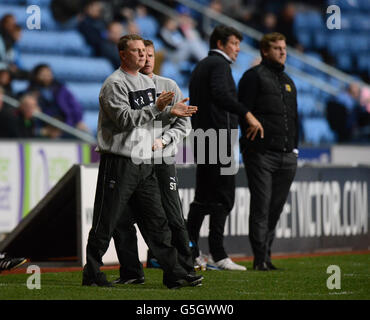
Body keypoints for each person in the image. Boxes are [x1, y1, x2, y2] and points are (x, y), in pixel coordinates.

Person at [82, 34, 201, 289]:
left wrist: (169, 112)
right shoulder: (114, 83)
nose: (142, 55)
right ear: (123, 55)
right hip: (120, 161)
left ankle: (174, 272)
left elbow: (147, 119)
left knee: (157, 221)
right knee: (108, 220)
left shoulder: (146, 83)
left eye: (143, 51)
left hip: (145, 161)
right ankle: (92, 272)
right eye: (135, 51)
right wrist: (159, 108)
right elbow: (125, 119)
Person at [113, 39, 195, 285]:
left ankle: (185, 268)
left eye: (150, 55)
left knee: (173, 215)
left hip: (160, 160)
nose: (146, 59)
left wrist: (164, 140)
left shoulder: (168, 85)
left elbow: (184, 123)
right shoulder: (126, 86)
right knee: (123, 219)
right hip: (132, 160)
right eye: (142, 54)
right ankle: (131, 273)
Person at [186, 25, 263, 271]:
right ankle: (218, 254)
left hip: (204, 137)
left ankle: (189, 250)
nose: (238, 49)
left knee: (203, 197)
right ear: (220, 44)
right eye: (234, 44)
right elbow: (221, 95)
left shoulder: (201, 65)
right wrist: (246, 113)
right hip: (218, 139)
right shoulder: (219, 65)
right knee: (223, 198)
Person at [238, 32, 298, 271]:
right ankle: (259, 257)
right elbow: (242, 110)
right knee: (261, 206)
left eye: (284, 48)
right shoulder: (252, 77)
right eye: (277, 48)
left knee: (275, 207)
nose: (283, 52)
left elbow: (294, 117)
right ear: (265, 51)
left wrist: (295, 148)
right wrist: (250, 141)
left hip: (287, 154)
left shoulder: (289, 81)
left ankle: (267, 254)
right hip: (261, 154)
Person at [26, 64, 89, 137]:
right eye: (43, 74)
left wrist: (78, 120)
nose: (46, 76)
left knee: (85, 133)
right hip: (44, 126)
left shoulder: (61, 89)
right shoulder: (31, 92)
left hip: (65, 126)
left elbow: (75, 105)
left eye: (48, 73)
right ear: (36, 76)